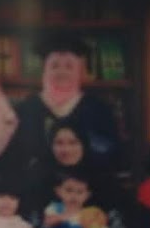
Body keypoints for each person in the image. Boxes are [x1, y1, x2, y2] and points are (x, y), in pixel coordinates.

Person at [11, 32, 127, 182]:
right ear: (45, 70)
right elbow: (17, 157)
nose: (62, 72)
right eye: (54, 66)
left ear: (79, 71)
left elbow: (112, 155)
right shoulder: (27, 109)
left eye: (69, 66)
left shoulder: (97, 109)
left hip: (86, 188)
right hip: (38, 188)